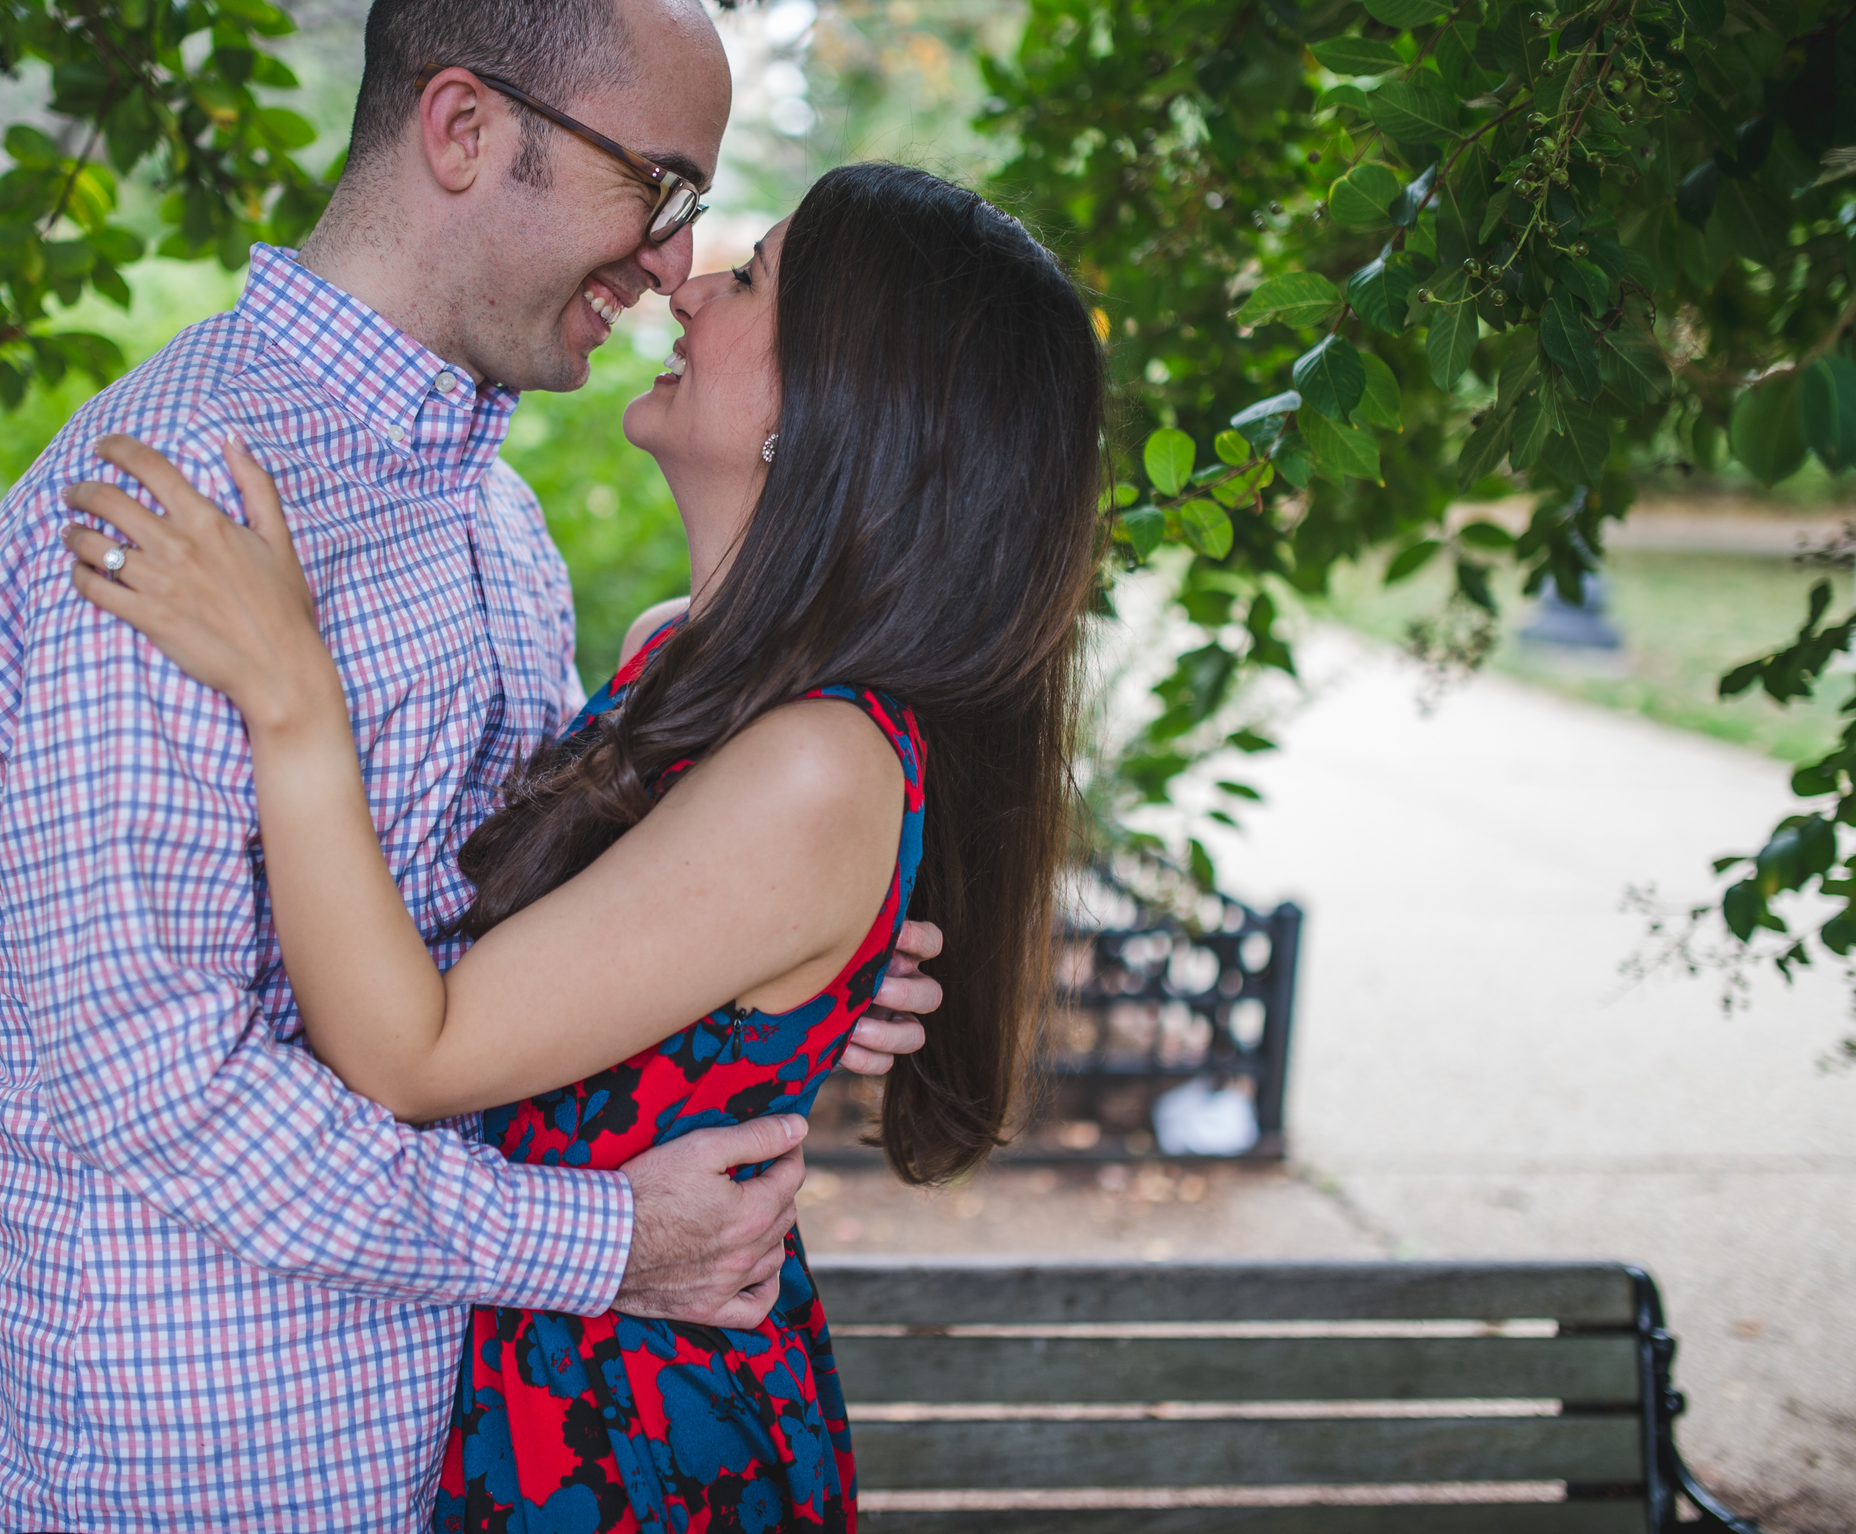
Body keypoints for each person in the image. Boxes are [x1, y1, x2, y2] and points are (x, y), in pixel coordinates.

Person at [0, 0, 944, 1534]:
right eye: (657, 188)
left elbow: (512, 928)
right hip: (205, 1471)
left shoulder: (491, 522)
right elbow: (165, 1091)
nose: (672, 262)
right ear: (467, 129)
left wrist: (772, 974)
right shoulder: (168, 515)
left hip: (460, 1448)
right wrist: (610, 1243)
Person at [63, 161, 1108, 1530]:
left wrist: (290, 697)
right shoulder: (678, 661)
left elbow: (414, 1056)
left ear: (830, 411)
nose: (687, 280)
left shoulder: (814, 765)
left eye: (751, 279)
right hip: (550, 1369)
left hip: (638, 1433)